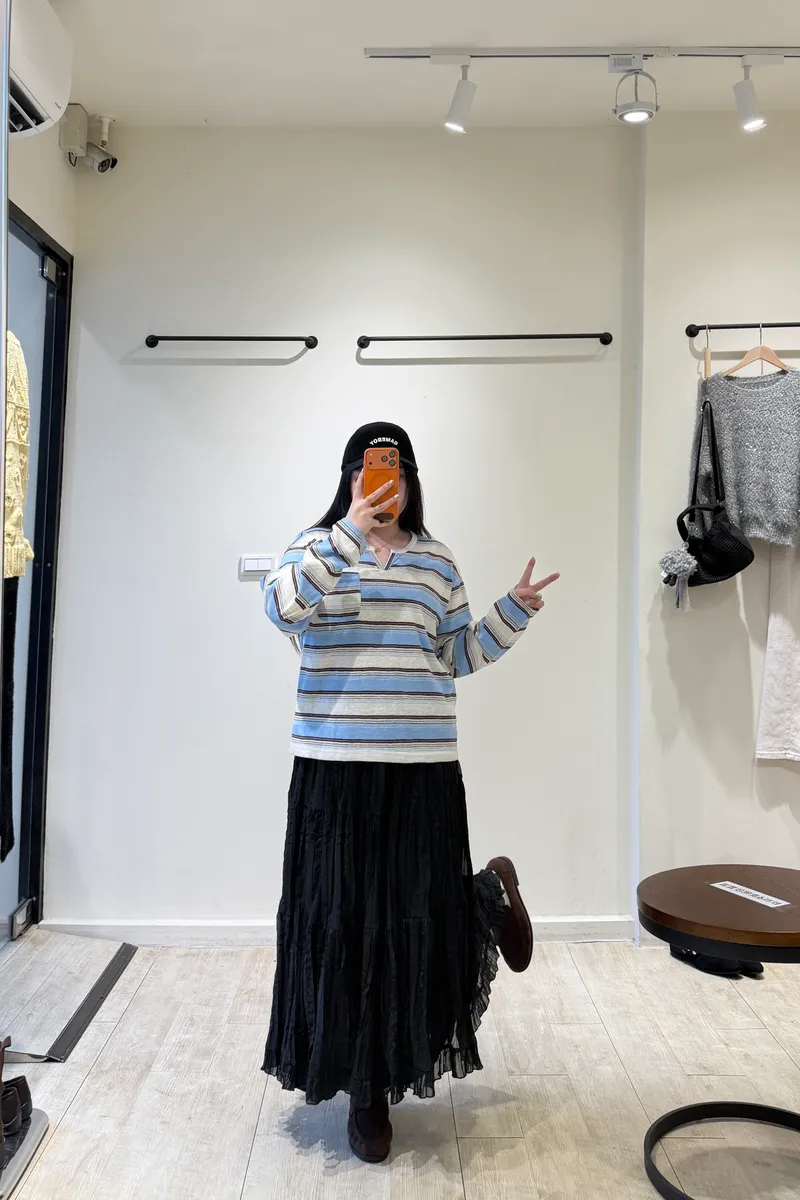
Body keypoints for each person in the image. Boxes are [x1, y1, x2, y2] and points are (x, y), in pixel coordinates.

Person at [261, 422, 559, 1163]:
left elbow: (456, 655)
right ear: (351, 476)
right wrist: (346, 537)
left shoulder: (436, 559)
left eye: (394, 470)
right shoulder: (315, 545)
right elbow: (280, 611)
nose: (382, 481)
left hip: (422, 765)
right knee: (339, 924)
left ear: (410, 478)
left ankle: (484, 901)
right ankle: (366, 1093)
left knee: (415, 918)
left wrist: (512, 611)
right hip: (333, 769)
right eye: (370, 469)